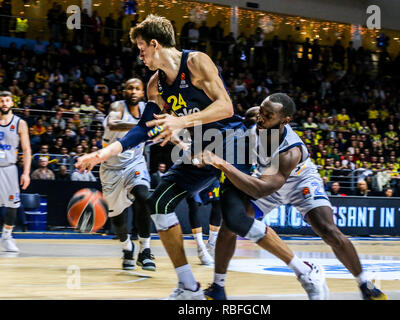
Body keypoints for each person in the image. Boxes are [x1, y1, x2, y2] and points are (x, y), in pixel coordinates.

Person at [76, 15, 326, 301]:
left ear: (155, 44)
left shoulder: (196, 62)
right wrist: (100, 154)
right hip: (202, 150)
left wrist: (181, 122)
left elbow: (225, 106)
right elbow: (142, 131)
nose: (139, 54)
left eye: (141, 47)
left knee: (234, 219)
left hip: (232, 142)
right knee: (159, 203)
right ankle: (189, 286)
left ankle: (304, 269)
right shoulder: (155, 85)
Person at [199, 94, 386, 300]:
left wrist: (222, 164)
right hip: (266, 177)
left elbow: (260, 190)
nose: (261, 118)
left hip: (299, 181)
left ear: (285, 121)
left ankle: (364, 284)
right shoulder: (254, 122)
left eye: (268, 116)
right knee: (231, 224)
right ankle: (218, 287)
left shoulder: (291, 150)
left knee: (328, 230)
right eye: (261, 112)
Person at [100, 78, 156, 271]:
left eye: (137, 89)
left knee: (143, 196)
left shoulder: (147, 109)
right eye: (129, 88)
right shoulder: (118, 106)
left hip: (134, 163)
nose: (133, 91)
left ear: (142, 92)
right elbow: (114, 124)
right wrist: (142, 129)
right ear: (124, 91)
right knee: (118, 218)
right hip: (111, 168)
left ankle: (146, 250)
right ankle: (127, 248)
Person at [0, 91, 31, 252]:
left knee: (13, 204)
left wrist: (26, 173)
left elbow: (26, 150)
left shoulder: (20, 123)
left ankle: (6, 236)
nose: (4, 103)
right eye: (1, 101)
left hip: (10, 168)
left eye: (7, 100)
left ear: (12, 103)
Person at [186, 178, 221, 265]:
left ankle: (211, 245)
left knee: (218, 203)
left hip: (212, 172)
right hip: (193, 173)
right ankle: (200, 248)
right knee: (194, 204)